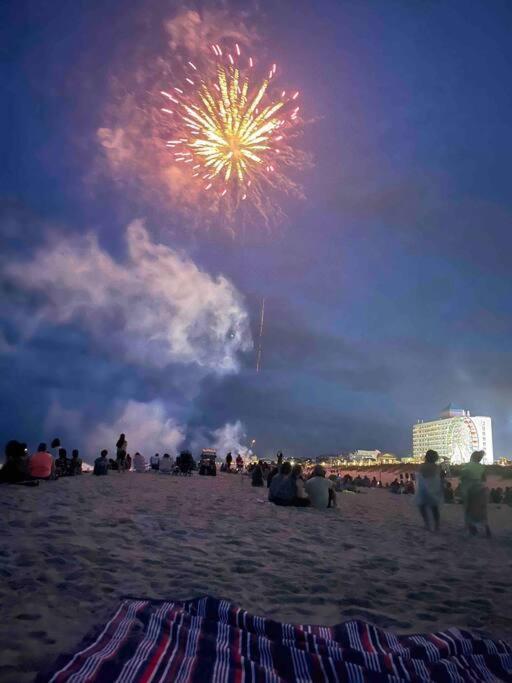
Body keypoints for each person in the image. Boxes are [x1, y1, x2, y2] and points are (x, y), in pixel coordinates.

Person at [460, 450, 491, 537]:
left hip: (470, 490)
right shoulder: (482, 467)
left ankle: (472, 529)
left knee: (468, 510)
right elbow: (484, 479)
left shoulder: (467, 465)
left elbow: (462, 477)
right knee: (482, 511)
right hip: (481, 489)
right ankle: (487, 528)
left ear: (472, 457)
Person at [415, 450, 443, 532]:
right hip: (434, 489)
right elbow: (438, 478)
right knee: (434, 508)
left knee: (422, 507)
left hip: (423, 489)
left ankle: (427, 523)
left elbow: (420, 477)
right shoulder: (436, 466)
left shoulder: (422, 466)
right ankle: (436, 525)